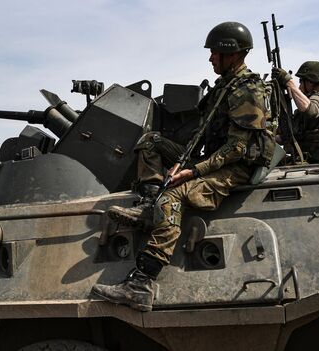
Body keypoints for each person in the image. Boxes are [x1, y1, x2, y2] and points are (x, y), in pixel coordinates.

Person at [91, 22, 277, 312]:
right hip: (214, 160)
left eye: (215, 53)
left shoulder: (247, 90)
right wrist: (181, 159)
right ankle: (148, 205)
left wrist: (194, 171)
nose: (211, 58)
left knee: (174, 195)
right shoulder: (224, 86)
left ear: (233, 54)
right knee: (151, 142)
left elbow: (238, 148)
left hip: (235, 168)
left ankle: (141, 284)